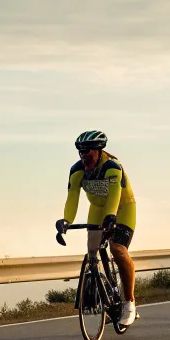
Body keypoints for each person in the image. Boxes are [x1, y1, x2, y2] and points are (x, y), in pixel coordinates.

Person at [56, 130, 138, 326]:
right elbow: (72, 197)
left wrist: (111, 217)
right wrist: (66, 220)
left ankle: (129, 302)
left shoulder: (112, 166)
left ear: (99, 151)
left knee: (117, 249)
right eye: (80, 153)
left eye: (88, 153)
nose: (84, 157)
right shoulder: (77, 170)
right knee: (92, 252)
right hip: (98, 208)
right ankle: (106, 296)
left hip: (123, 207)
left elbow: (114, 193)